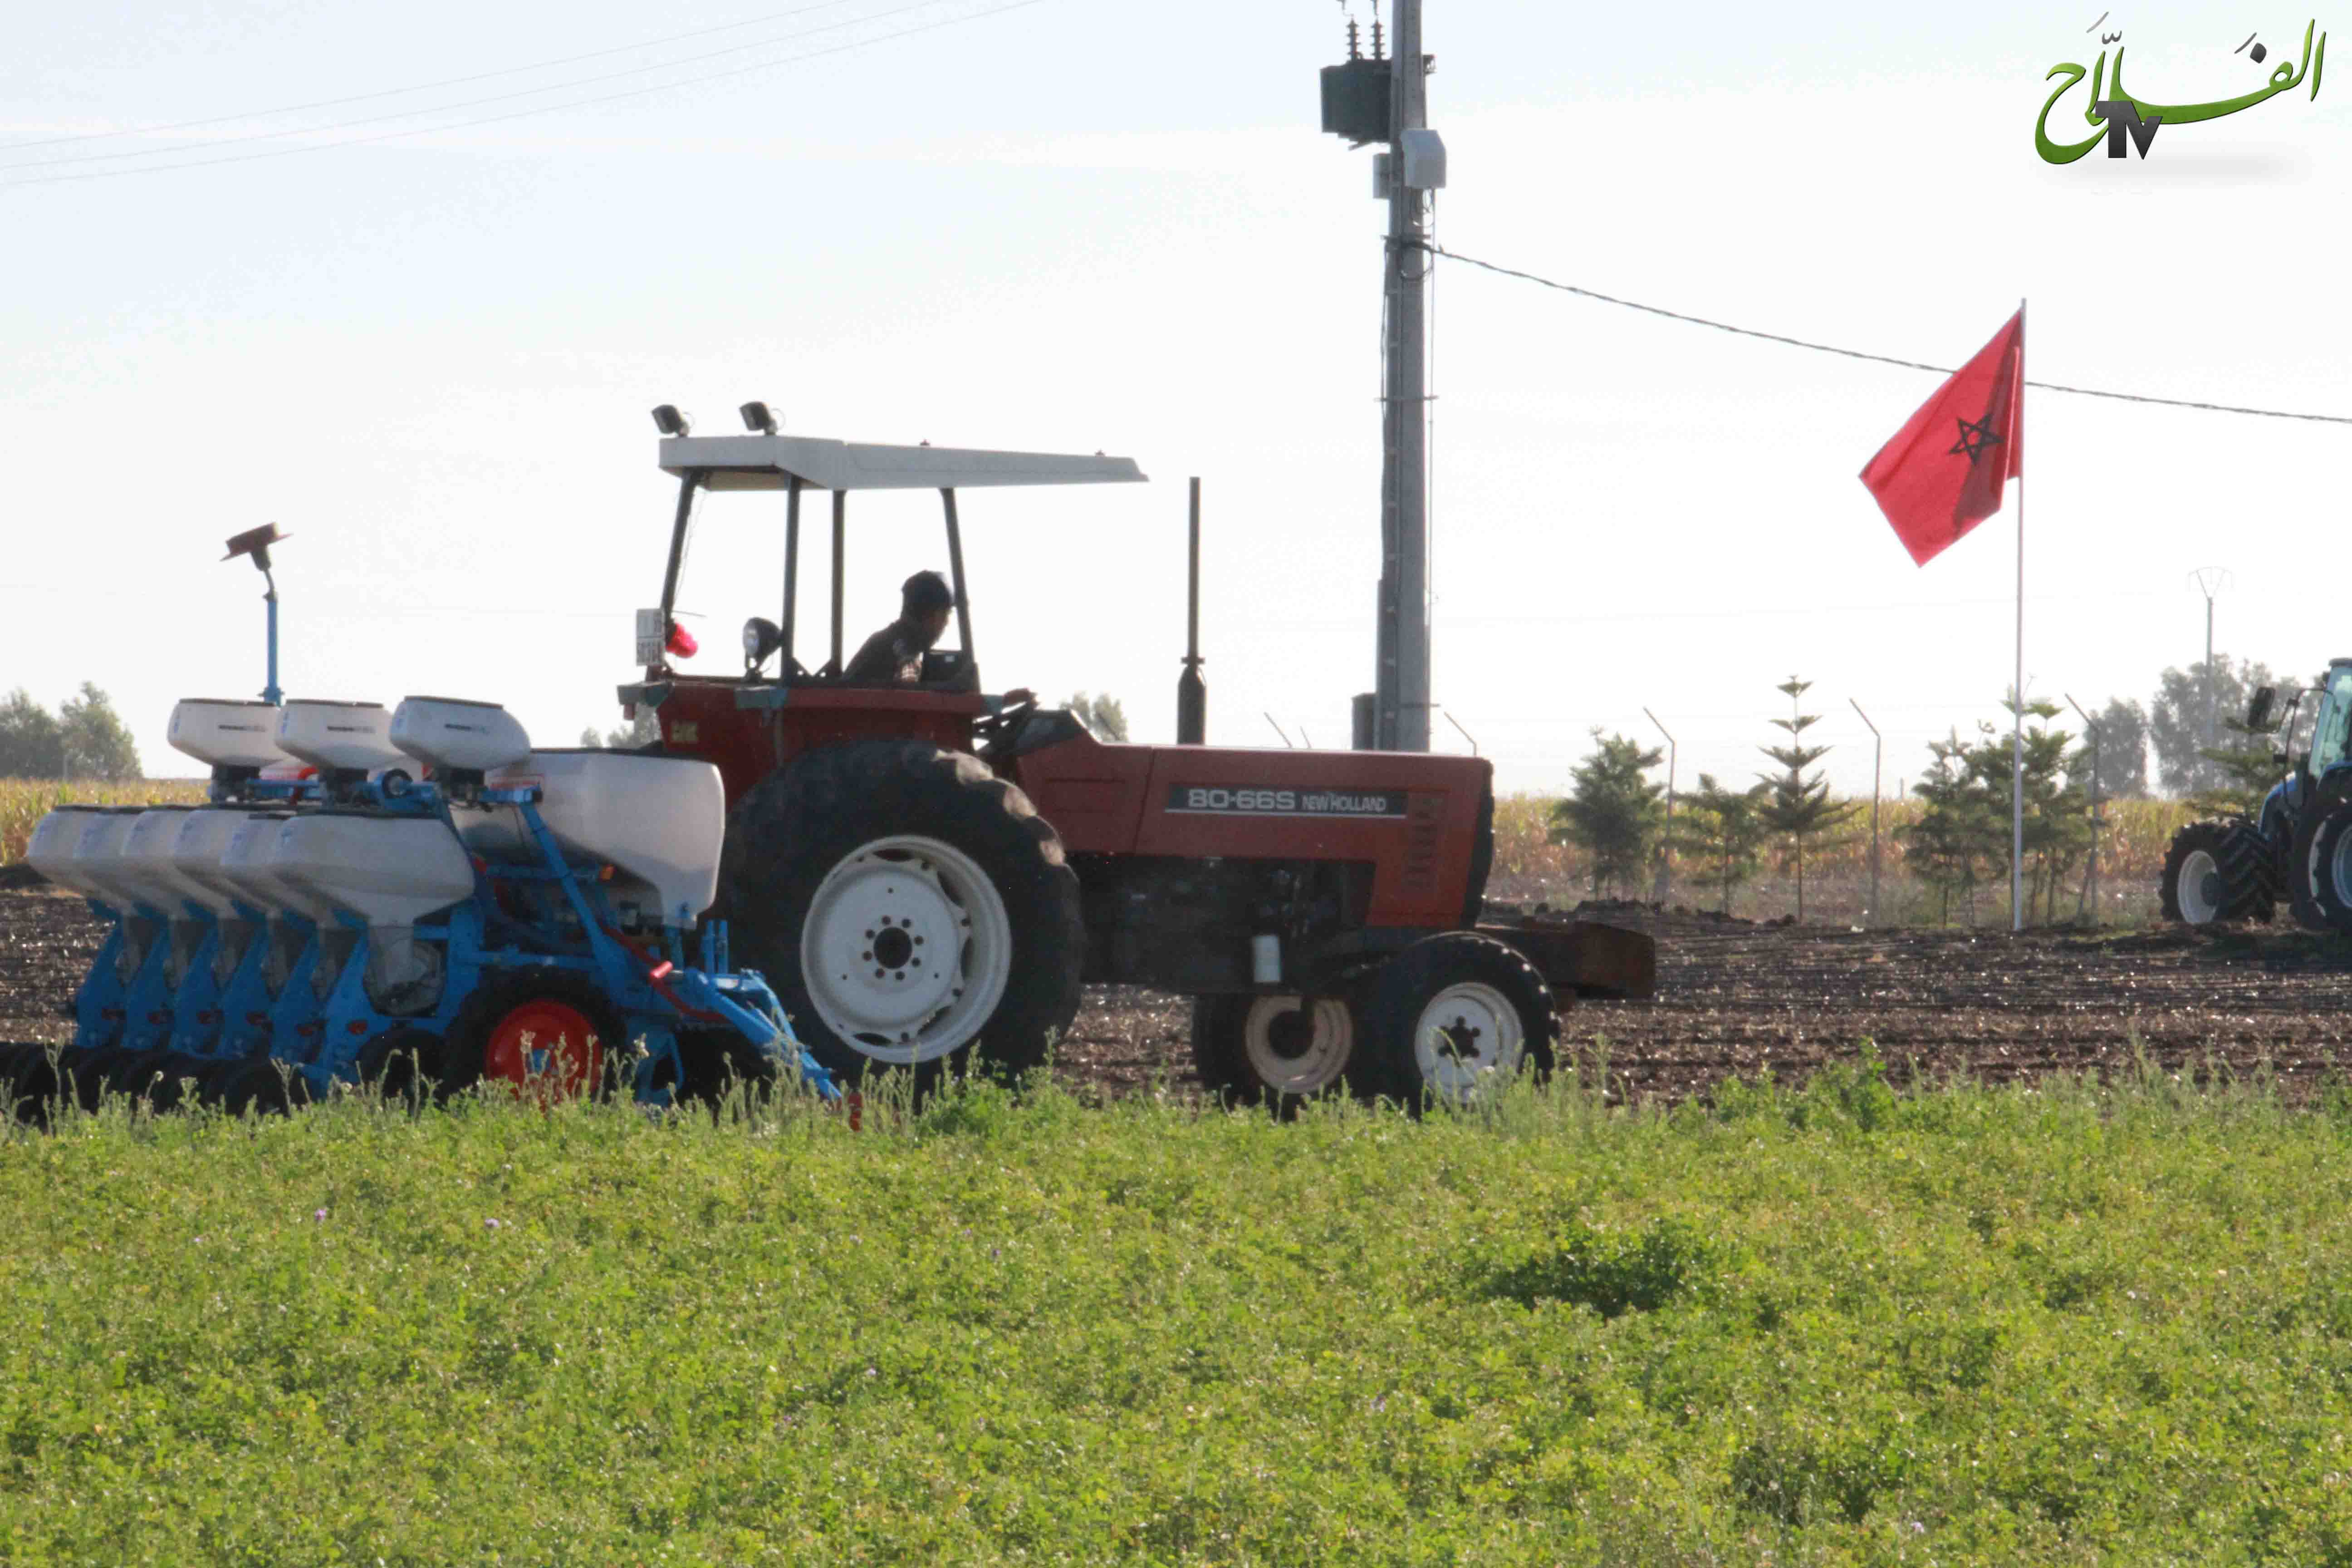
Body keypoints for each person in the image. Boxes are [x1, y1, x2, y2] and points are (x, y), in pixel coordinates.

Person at [843, 571, 1033, 707]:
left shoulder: (895, 643)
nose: (946, 624)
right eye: (945, 615)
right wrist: (1001, 702)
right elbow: (916, 703)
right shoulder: (903, 652)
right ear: (930, 615)